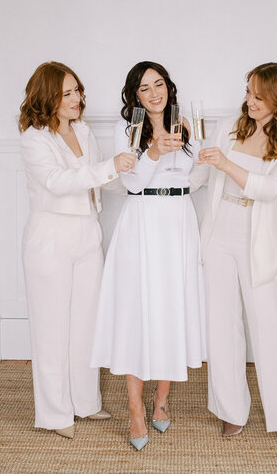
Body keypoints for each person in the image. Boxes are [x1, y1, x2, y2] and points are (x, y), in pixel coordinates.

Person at [90, 61, 206, 450]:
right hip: (142, 224)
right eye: (144, 88)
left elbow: (196, 178)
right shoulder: (128, 130)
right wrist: (153, 151)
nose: (154, 93)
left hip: (179, 223)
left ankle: (162, 402)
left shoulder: (186, 126)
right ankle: (136, 410)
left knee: (171, 309)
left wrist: (202, 152)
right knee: (137, 314)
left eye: (159, 84)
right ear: (134, 96)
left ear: (169, 87)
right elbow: (133, 183)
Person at [190, 62, 277, 442]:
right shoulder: (229, 125)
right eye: (248, 92)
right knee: (221, 323)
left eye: (259, 96)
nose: (249, 101)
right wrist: (187, 153)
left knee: (266, 324)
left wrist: (225, 162)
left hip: (255, 238)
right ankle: (230, 409)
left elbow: (272, 189)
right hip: (219, 230)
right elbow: (201, 177)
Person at [19, 61, 135, 439]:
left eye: (78, 90)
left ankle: (85, 403)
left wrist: (141, 179)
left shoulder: (83, 131)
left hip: (88, 234)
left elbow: (104, 181)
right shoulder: (34, 138)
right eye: (67, 93)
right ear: (47, 97)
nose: (77, 99)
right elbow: (58, 181)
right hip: (50, 238)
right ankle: (55, 415)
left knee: (87, 324)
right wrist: (110, 167)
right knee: (52, 329)